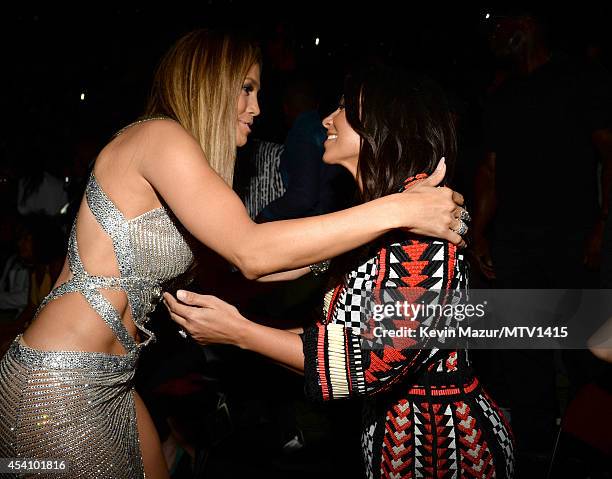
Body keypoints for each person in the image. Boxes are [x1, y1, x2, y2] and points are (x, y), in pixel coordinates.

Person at [0, 30, 467, 479]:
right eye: (246, 89)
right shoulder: (159, 138)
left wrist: (364, 238)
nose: (257, 107)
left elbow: (254, 265)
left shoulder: (183, 165)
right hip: (59, 376)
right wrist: (398, 209)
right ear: (209, 81)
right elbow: (252, 253)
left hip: (115, 377)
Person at [164, 66, 514, 478]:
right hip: (391, 439)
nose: (327, 118)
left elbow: (372, 359)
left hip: (443, 449)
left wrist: (240, 333)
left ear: (382, 123)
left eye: (346, 107)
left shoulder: (423, 224)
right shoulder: (378, 219)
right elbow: (332, 331)